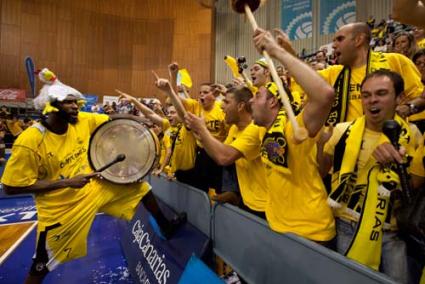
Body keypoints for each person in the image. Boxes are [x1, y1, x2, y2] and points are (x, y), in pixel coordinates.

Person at [0, 69, 186, 284]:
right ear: (51, 106)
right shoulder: (30, 140)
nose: (75, 106)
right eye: (68, 103)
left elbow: (112, 117)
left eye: (76, 102)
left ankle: (165, 226)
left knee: (139, 188)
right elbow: (11, 188)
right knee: (41, 265)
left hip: (91, 190)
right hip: (61, 209)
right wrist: (67, 182)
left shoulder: (81, 120)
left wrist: (139, 121)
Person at [318, 70, 418, 283]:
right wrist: (320, 144)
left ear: (399, 98)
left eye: (381, 93)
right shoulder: (342, 131)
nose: (372, 100)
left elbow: (414, 188)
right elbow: (320, 172)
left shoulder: (413, 136)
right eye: (366, 95)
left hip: (392, 230)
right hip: (349, 225)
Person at [250, 28, 336, 246]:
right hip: (279, 227)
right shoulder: (263, 129)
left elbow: (325, 95)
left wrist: (278, 51)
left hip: (310, 233)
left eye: (257, 96)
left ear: (272, 103)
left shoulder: (294, 128)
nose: (251, 101)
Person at [185, 85, 268, 218]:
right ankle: (233, 193)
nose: (222, 106)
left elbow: (224, 157)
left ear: (240, 106)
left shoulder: (254, 129)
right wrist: (200, 135)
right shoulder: (235, 129)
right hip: (248, 200)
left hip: (264, 206)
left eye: (227, 102)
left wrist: (202, 130)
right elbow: (218, 153)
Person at [318, 22, 424, 126]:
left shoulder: (396, 61)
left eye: (340, 39)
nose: (334, 46)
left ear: (358, 40)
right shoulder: (333, 73)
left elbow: (420, 96)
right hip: (347, 141)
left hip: (389, 139)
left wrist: (409, 107)